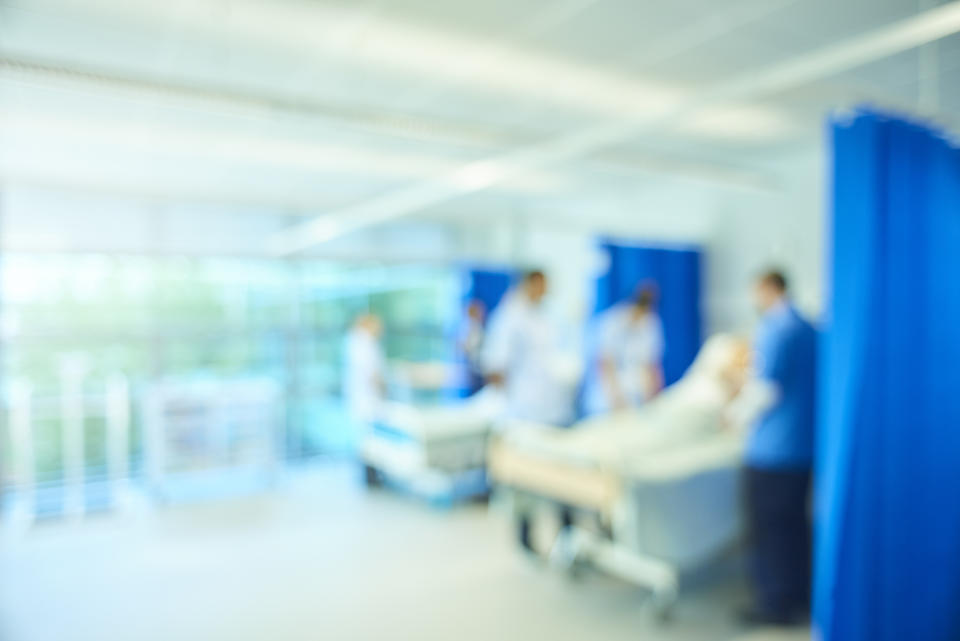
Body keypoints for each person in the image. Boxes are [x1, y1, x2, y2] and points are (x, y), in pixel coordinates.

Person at [739, 270, 817, 626]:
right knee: (796, 527)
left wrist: (732, 415)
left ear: (769, 288)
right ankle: (799, 594)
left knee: (769, 530)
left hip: (772, 451)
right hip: (802, 449)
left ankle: (774, 604)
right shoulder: (809, 328)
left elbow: (765, 390)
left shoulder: (775, 328)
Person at [482, 270, 578, 553]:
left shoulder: (548, 317)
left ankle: (567, 537)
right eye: (540, 286)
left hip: (556, 407)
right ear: (528, 285)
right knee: (526, 481)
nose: (544, 292)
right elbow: (496, 367)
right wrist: (508, 406)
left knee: (564, 477)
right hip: (525, 412)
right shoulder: (509, 317)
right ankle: (526, 540)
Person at [585, 284, 665, 415]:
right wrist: (617, 399)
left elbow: (652, 365)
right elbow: (605, 364)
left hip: (636, 397)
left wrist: (655, 400)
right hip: (607, 399)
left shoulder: (651, 323)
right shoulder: (611, 321)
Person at [344, 313, 386, 438]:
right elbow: (372, 373)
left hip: (360, 398)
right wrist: (384, 391)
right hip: (369, 398)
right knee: (371, 435)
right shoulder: (367, 344)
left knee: (363, 433)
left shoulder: (354, 342)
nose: (381, 330)